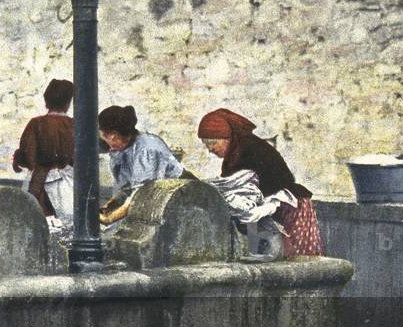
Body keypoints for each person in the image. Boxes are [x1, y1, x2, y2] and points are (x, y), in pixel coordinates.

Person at [197, 108, 324, 258]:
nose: (210, 149)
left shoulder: (248, 150)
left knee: (298, 265)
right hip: (267, 213)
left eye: (213, 142)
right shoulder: (234, 155)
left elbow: (261, 192)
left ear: (227, 137)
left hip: (290, 208)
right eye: (206, 145)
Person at [98, 105, 186, 224]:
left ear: (113, 136)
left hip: (180, 199)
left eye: (103, 135)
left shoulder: (147, 149)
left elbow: (142, 194)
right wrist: (108, 208)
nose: (102, 139)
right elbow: (126, 189)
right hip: (151, 202)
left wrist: (110, 219)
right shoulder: (122, 150)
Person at [12, 79, 74, 220]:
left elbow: (28, 154)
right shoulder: (74, 124)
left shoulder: (36, 123)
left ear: (47, 100)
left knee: (39, 221)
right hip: (69, 184)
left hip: (40, 183)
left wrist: (19, 159)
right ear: (67, 103)